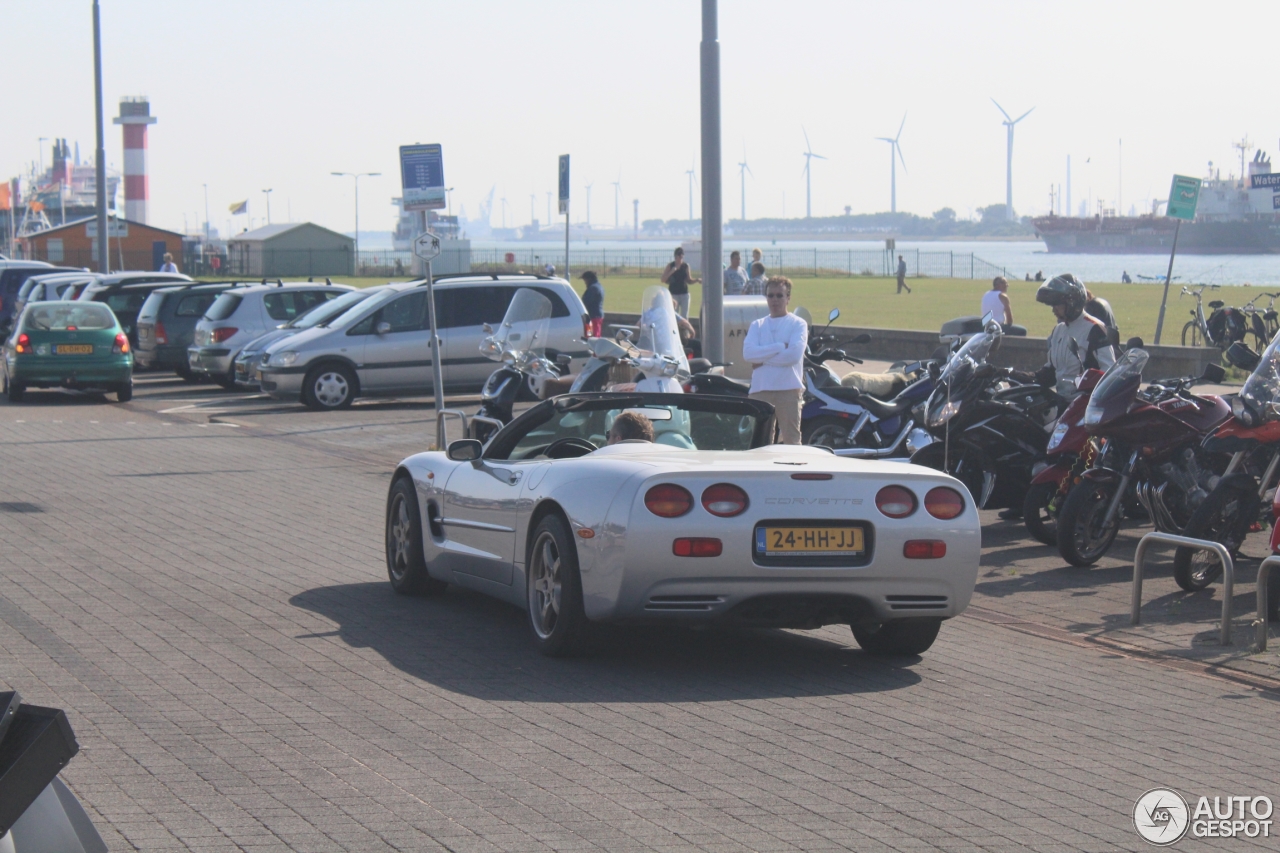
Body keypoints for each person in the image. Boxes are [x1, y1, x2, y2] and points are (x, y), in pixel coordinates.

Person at [742, 276, 807, 445]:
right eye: (771, 295)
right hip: (760, 389)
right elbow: (748, 354)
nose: (775, 300)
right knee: (759, 442)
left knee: (792, 441)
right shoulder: (757, 325)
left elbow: (793, 356)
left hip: (788, 390)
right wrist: (779, 347)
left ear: (788, 298)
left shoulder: (798, 324)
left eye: (780, 295)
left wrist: (762, 361)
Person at [1034, 274, 1117, 400]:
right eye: (1052, 306)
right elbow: (1050, 373)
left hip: (1085, 404)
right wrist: (1012, 375)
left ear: (1072, 302)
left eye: (1057, 305)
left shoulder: (1094, 329)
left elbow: (1109, 372)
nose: (1053, 310)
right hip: (1062, 400)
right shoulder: (1058, 330)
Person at [661, 247, 697, 317]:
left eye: (681, 256)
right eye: (678, 256)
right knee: (674, 315)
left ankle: (684, 328)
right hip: (673, 294)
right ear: (675, 256)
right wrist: (672, 271)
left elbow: (689, 280)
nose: (679, 258)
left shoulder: (686, 266)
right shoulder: (670, 266)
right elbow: (663, 279)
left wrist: (697, 280)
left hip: (684, 294)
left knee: (684, 316)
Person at [580, 270, 604, 337]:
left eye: (585, 280)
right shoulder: (598, 286)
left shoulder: (593, 288)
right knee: (595, 335)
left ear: (589, 279)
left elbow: (586, 302)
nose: (584, 282)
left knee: (593, 337)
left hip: (593, 316)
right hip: (596, 315)